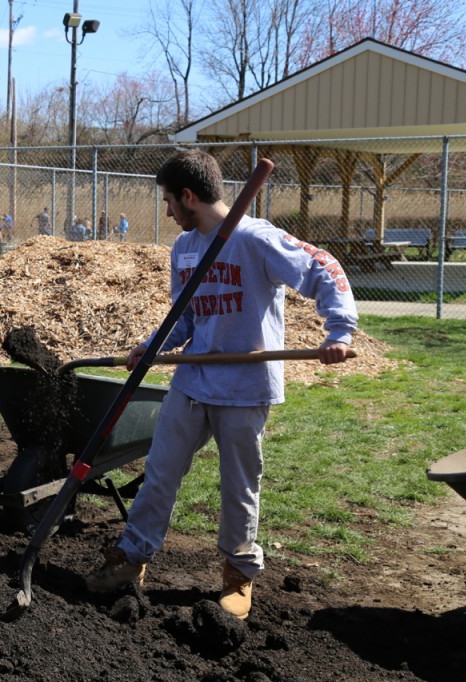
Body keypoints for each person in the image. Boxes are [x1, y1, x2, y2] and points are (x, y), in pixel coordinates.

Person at [84, 149, 358, 620]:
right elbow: (184, 316)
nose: (168, 211)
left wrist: (339, 330)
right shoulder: (185, 248)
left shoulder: (254, 239)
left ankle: (238, 573)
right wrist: (151, 346)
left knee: (239, 487)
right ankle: (132, 557)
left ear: (189, 196)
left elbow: (322, 267)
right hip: (193, 380)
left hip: (245, 385)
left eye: (170, 201)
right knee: (159, 474)